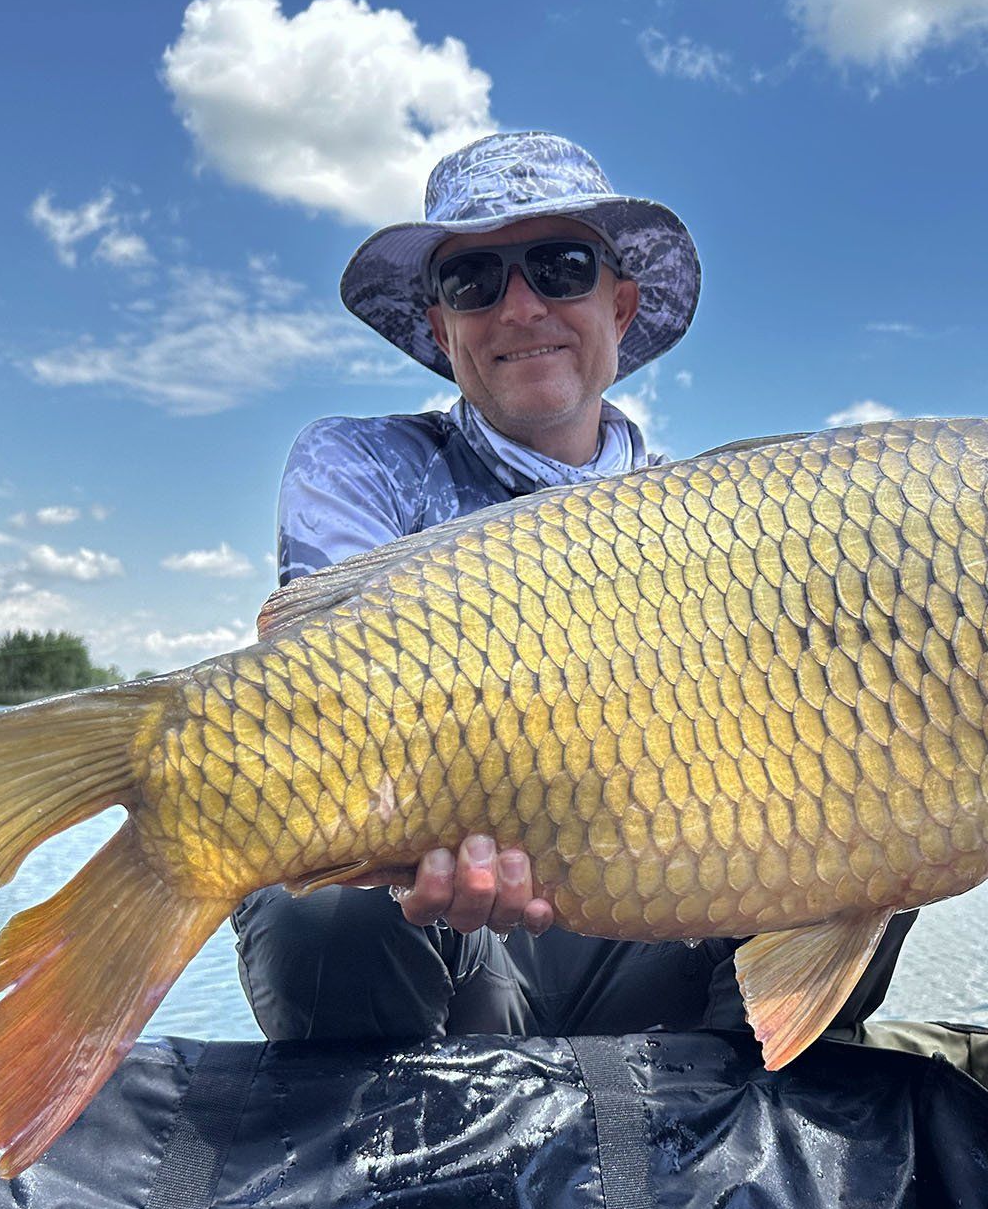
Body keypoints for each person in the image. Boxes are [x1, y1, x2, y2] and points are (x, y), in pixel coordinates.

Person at [234, 131, 917, 1044]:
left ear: (621, 305)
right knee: (310, 902)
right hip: (442, 933)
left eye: (558, 267)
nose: (520, 308)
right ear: (440, 326)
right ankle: (399, 1170)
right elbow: (323, 710)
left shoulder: (724, 517)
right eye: (475, 280)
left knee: (898, 809)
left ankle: (731, 1142)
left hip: (671, 918)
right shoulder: (362, 462)